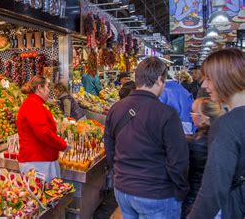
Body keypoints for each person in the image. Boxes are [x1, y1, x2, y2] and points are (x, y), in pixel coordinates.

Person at [105, 57, 189, 218]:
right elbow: (178, 159)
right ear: (159, 80)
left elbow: (109, 148)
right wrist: (181, 189)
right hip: (156, 193)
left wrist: (119, 175)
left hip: (123, 191)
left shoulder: (116, 108)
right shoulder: (167, 114)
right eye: (164, 82)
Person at [187, 48, 245, 219]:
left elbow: (213, 189)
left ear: (225, 78)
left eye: (209, 79)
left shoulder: (227, 125)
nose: (204, 85)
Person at [17, 75, 70, 182]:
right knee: (41, 195)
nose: (48, 91)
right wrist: (63, 145)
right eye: (47, 87)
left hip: (41, 160)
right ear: (39, 88)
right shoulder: (33, 104)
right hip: (37, 162)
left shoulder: (36, 103)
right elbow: (44, 133)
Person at [182, 98, 223, 217]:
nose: (191, 115)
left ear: (204, 117)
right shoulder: (224, 137)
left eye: (193, 112)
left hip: (194, 199)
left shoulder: (194, 143)